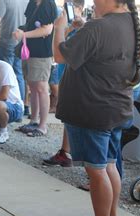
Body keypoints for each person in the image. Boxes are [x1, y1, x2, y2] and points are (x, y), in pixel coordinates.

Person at [52, 0, 140, 216]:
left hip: (91, 110)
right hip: (113, 109)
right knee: (109, 165)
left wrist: (60, 26)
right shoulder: (128, 22)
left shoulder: (98, 27)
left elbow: (60, 55)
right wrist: (82, 30)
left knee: (96, 170)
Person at [43, 0, 85, 168]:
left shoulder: (88, 28)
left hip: (76, 78)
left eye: (72, 7)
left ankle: (74, 154)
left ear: (80, 8)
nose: (66, 11)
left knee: (75, 118)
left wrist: (64, 27)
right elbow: (60, 46)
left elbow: (62, 54)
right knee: (68, 117)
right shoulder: (75, 27)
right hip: (66, 75)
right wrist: (67, 27)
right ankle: (65, 152)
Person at [13, 0, 57, 137]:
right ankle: (33, 121)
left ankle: (43, 125)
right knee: (32, 87)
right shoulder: (33, 3)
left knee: (42, 88)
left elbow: (47, 29)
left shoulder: (48, 4)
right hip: (29, 51)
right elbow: (31, 25)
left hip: (41, 53)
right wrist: (22, 30)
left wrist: (24, 34)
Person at [0, 0, 29, 107]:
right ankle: (21, 106)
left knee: (5, 75)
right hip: (22, 42)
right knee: (19, 75)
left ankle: (7, 106)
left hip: (7, 42)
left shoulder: (5, 1)